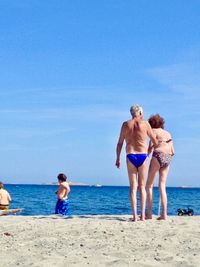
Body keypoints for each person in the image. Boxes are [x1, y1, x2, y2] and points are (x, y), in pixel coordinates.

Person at [115, 105, 158, 221]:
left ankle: (134, 216)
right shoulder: (145, 124)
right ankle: (143, 216)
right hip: (143, 156)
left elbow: (119, 143)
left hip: (131, 155)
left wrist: (117, 158)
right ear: (140, 113)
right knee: (142, 187)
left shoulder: (125, 124)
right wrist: (149, 150)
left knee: (133, 187)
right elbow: (155, 141)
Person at [146, 114, 175, 220]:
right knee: (162, 186)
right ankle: (164, 214)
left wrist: (145, 157)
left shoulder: (153, 131)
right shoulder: (168, 133)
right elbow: (173, 151)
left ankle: (149, 214)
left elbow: (150, 147)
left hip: (158, 155)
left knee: (149, 185)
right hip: (168, 157)